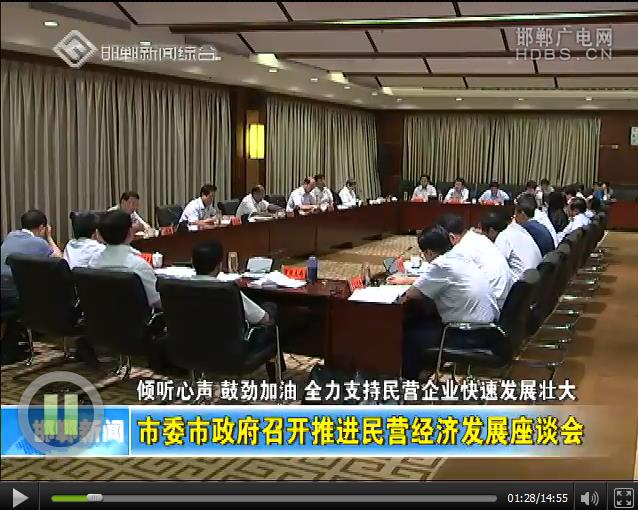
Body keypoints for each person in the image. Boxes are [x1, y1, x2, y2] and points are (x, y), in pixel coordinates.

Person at [387, 226, 499, 380]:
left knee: (410, 335)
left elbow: (412, 294)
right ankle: (427, 369)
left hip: (468, 334)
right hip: (487, 329)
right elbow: (440, 280)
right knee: (425, 319)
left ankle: (409, 381)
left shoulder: (441, 264)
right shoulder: (460, 257)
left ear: (429, 252)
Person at [434, 213, 513, 309]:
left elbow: (446, 279)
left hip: (492, 303)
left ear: (451, 238)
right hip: (504, 299)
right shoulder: (477, 238)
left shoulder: (461, 249)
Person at [89, 210, 161, 309]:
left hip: (100, 317)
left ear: (99, 235)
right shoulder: (138, 266)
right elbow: (157, 302)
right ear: (131, 232)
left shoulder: (93, 262)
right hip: (136, 318)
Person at [191, 241, 272, 326]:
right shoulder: (228, 289)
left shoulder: (181, 287)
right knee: (271, 306)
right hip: (223, 334)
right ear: (219, 266)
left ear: (192, 262)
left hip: (191, 333)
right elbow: (263, 318)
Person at [1, 209, 62, 312]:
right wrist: (49, 237)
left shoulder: (10, 236)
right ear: (42, 228)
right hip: (16, 294)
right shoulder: (39, 242)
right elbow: (59, 260)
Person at [480, 210, 541, 282]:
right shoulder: (516, 229)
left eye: (484, 234)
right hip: (536, 277)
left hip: (522, 283)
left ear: (491, 231)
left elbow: (494, 266)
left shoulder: (502, 238)